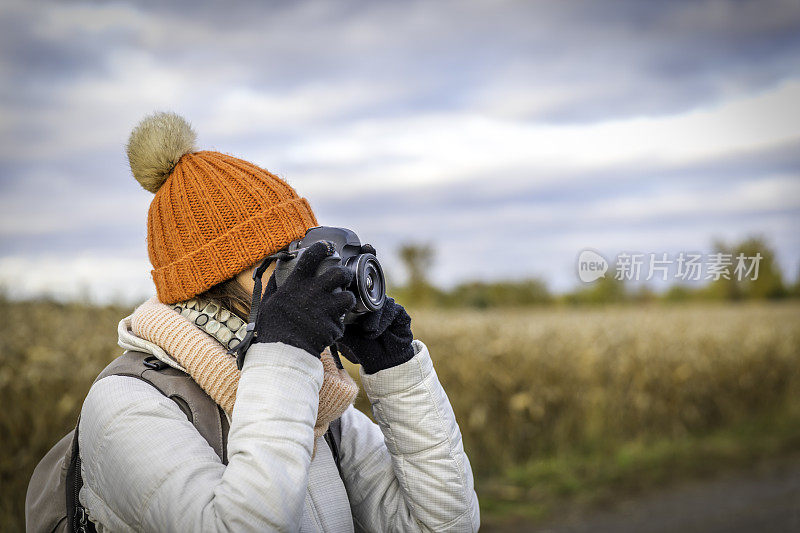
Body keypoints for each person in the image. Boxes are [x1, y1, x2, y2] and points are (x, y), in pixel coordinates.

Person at [76, 112, 480, 532]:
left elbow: (445, 525)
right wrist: (284, 351)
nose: (313, 274)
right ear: (209, 281)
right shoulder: (129, 404)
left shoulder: (320, 400)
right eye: (287, 260)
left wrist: (395, 370)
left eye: (308, 249)